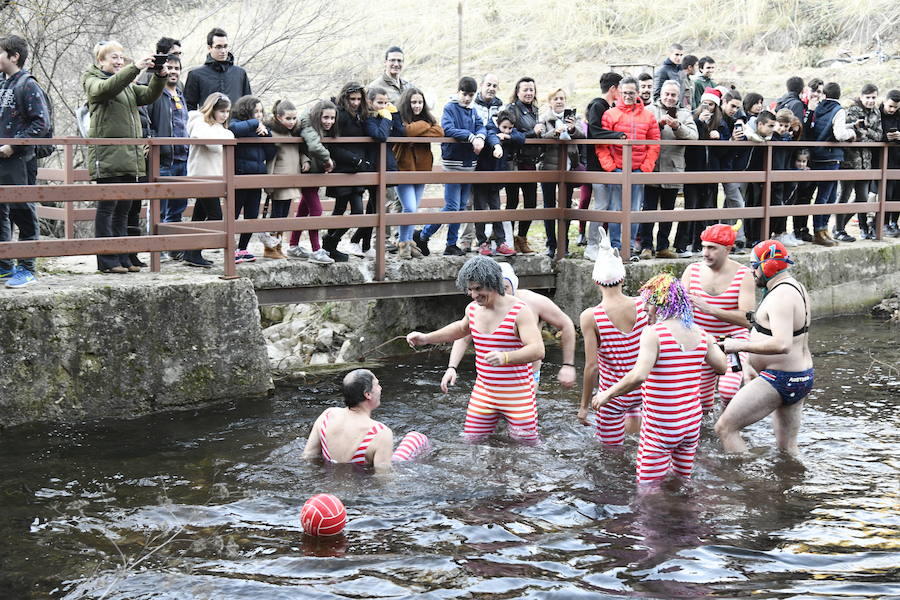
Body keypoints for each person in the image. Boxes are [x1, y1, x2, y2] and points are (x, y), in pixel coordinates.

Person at [592, 273, 727, 483]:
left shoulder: (654, 333)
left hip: (662, 425)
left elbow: (639, 375)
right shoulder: (701, 333)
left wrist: (607, 394)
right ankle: (686, 514)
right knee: (682, 481)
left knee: (648, 488)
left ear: (661, 304)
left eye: (648, 305)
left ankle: (652, 516)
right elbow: (722, 367)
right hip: (691, 423)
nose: (645, 310)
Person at [406, 256, 544, 443]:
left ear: (494, 283)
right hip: (484, 392)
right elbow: (460, 330)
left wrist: (505, 357)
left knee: (525, 449)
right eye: (470, 289)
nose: (473, 295)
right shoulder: (472, 309)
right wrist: (426, 338)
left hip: (518, 396)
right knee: (471, 442)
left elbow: (537, 350)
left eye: (478, 289)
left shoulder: (520, 311)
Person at [715, 240, 813, 455]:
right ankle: (788, 483)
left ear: (768, 265)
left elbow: (782, 344)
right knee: (787, 449)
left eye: (753, 265)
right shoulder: (794, 287)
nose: (752, 271)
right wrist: (750, 362)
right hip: (798, 377)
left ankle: (747, 484)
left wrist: (737, 345)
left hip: (780, 379)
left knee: (725, 428)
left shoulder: (781, 296)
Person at [82, 40, 167, 274]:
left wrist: (159, 76)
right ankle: (107, 261)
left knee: (124, 209)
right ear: (101, 60)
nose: (119, 61)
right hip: (108, 157)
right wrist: (135, 68)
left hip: (130, 157)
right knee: (107, 207)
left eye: (121, 57)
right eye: (113, 58)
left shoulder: (127, 86)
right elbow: (106, 89)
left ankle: (122, 257)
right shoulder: (92, 80)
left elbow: (149, 95)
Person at [441, 261, 576, 392]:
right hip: (491, 377)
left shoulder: (533, 302)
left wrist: (568, 365)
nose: (500, 293)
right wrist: (452, 367)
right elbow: (463, 335)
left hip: (526, 376)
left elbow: (566, 324)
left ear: (514, 285)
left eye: (505, 288)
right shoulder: (483, 307)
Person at [578, 228, 649, 445]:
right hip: (641, 389)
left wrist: (583, 406)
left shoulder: (591, 317)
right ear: (623, 278)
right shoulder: (644, 305)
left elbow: (592, 367)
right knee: (637, 446)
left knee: (611, 455)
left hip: (612, 395)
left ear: (595, 281)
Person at [681, 223, 755, 410]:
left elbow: (747, 320)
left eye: (712, 248)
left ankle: (730, 427)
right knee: (701, 402)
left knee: (728, 390)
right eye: (704, 246)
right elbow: (677, 310)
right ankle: (707, 435)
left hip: (733, 341)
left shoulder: (744, 274)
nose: (705, 252)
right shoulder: (692, 270)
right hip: (702, 341)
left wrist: (711, 309)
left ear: (728, 249)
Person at [302, 369, 430, 473]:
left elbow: (308, 456)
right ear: (367, 394)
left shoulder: (327, 416)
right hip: (360, 483)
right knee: (416, 437)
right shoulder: (379, 433)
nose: (380, 389)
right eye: (377, 385)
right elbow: (383, 479)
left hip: (331, 478)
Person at [414, 76, 485, 257]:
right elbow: (448, 129)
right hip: (453, 164)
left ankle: (450, 244)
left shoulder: (474, 110)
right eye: (464, 94)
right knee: (452, 206)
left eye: (471, 95)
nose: (467, 98)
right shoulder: (450, 108)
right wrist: (471, 137)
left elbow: (481, 127)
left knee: (461, 207)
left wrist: (481, 137)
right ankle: (423, 235)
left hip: (469, 165)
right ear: (458, 92)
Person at [0, 34, 51, 289]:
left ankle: (27, 267)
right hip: (2, 160)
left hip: (20, 159)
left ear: (14, 56)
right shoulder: (3, 83)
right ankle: (4, 264)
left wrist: (14, 145)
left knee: (23, 212)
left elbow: (41, 123)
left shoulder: (27, 84)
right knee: (0, 211)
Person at [596, 76, 661, 254]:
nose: (628, 96)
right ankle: (616, 246)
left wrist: (645, 168)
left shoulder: (648, 116)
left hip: (638, 169)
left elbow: (654, 143)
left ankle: (630, 246)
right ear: (619, 92)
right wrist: (610, 167)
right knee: (616, 209)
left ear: (638, 93)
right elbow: (602, 145)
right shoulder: (610, 114)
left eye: (631, 93)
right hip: (617, 168)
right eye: (624, 93)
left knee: (634, 210)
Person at [264, 99, 333, 264]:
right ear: (278, 117)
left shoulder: (294, 132)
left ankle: (281, 246)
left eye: (294, 118)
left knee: (286, 213)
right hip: (279, 177)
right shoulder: (273, 133)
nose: (292, 122)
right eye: (288, 118)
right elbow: (271, 160)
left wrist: (305, 160)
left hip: (293, 177)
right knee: (277, 214)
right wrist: (268, 183)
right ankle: (270, 248)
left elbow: (298, 150)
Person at [640, 79, 698, 260]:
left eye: (673, 95)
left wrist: (677, 126)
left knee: (668, 210)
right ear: (661, 94)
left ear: (678, 96)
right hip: (651, 167)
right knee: (648, 210)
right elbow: (642, 132)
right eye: (667, 94)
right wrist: (658, 125)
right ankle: (646, 246)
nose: (670, 98)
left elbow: (693, 136)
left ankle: (663, 247)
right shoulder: (649, 110)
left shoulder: (685, 114)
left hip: (673, 168)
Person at [349, 86, 404, 258]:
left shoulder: (384, 115)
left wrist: (394, 114)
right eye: (380, 103)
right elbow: (380, 135)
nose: (384, 106)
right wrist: (386, 118)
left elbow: (401, 133)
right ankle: (356, 241)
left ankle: (363, 245)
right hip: (374, 166)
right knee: (376, 208)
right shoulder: (369, 119)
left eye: (387, 102)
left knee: (375, 207)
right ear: (370, 103)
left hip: (386, 164)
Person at [320, 82, 372, 263]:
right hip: (343, 168)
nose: (356, 102)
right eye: (352, 99)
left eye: (358, 99)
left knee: (357, 211)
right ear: (345, 98)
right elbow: (334, 145)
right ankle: (330, 245)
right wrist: (354, 159)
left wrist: (361, 161)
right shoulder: (340, 115)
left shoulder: (361, 115)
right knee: (341, 209)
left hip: (356, 170)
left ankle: (329, 243)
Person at [184, 92, 234, 267]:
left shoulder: (219, 128)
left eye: (227, 112)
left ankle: (191, 252)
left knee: (199, 215)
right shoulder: (198, 122)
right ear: (212, 109)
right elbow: (213, 145)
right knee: (215, 215)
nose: (225, 115)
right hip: (202, 177)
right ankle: (194, 251)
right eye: (222, 111)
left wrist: (224, 137)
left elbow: (230, 138)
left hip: (213, 177)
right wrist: (224, 138)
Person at [393, 87, 443, 259]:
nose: (417, 105)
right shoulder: (399, 117)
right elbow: (407, 131)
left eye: (420, 102)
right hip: (403, 169)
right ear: (407, 103)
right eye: (413, 102)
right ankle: (402, 242)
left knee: (413, 209)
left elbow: (440, 131)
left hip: (421, 169)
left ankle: (407, 243)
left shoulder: (428, 118)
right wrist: (424, 125)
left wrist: (422, 127)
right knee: (410, 207)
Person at [804, 82, 856, 247]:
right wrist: (852, 133)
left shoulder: (818, 108)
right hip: (831, 157)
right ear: (839, 95)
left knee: (824, 196)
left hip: (817, 155)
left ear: (825, 94)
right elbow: (839, 134)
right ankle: (821, 230)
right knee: (828, 196)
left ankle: (822, 230)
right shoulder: (838, 110)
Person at [284, 99, 336, 264]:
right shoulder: (308, 125)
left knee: (303, 210)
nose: (329, 122)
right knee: (317, 211)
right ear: (317, 116)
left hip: (314, 173)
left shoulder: (319, 127)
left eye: (332, 118)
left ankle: (293, 246)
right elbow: (312, 146)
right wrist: (327, 160)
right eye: (325, 117)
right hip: (306, 173)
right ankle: (316, 250)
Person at [145, 54, 189, 245]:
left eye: (177, 68)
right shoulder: (154, 93)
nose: (173, 72)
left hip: (182, 158)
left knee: (177, 208)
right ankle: (156, 248)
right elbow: (146, 123)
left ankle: (172, 246)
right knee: (158, 208)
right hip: (162, 159)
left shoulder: (180, 93)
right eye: (169, 68)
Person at [583, 72, 627, 261]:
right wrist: (617, 135)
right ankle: (591, 245)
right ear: (613, 89)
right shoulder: (597, 105)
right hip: (596, 164)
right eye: (621, 89)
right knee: (601, 205)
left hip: (609, 162)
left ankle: (603, 244)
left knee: (609, 205)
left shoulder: (610, 107)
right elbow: (594, 131)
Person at [228, 95, 275, 264]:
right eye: (256, 111)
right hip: (240, 176)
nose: (259, 115)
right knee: (233, 213)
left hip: (257, 177)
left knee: (252, 214)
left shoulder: (261, 129)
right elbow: (233, 129)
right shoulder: (236, 122)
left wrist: (267, 135)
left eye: (261, 111)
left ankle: (243, 248)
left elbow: (270, 154)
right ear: (246, 111)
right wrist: (255, 124)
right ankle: (230, 249)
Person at [538, 88, 585, 257]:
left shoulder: (574, 117)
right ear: (550, 101)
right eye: (556, 98)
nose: (559, 101)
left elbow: (582, 134)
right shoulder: (544, 118)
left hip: (568, 167)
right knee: (549, 207)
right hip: (549, 168)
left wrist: (572, 129)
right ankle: (551, 244)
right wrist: (554, 133)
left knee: (565, 207)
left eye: (562, 98)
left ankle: (564, 244)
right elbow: (541, 136)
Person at [834, 83, 882, 241]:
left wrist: (866, 131)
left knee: (862, 197)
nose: (870, 100)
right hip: (850, 160)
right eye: (868, 97)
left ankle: (838, 226)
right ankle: (839, 230)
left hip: (866, 162)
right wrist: (866, 133)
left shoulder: (876, 111)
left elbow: (879, 135)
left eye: (873, 97)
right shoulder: (853, 109)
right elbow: (854, 133)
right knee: (845, 195)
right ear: (861, 96)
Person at [503, 77, 544, 254]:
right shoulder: (511, 110)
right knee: (512, 201)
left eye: (531, 90)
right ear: (517, 92)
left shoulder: (535, 110)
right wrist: (532, 132)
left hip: (530, 162)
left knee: (531, 203)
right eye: (525, 90)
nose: (528, 93)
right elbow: (511, 133)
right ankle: (508, 239)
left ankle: (522, 238)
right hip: (515, 161)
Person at [472, 110, 518, 256]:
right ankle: (482, 242)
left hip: (496, 178)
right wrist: (498, 145)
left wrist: (508, 135)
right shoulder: (490, 129)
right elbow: (492, 137)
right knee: (480, 210)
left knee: (496, 209)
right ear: (498, 123)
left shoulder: (508, 133)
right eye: (504, 127)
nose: (507, 130)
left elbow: (521, 136)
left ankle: (500, 241)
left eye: (510, 128)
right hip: (482, 177)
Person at [183, 28, 251, 110]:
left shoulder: (240, 73)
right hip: (206, 121)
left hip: (235, 122)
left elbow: (248, 103)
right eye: (218, 47)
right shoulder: (196, 75)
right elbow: (188, 106)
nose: (223, 51)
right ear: (209, 48)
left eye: (225, 46)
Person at [881, 89, 900, 237]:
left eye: (896, 107)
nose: (893, 110)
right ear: (885, 101)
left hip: (898, 157)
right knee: (887, 192)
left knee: (898, 192)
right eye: (890, 106)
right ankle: (884, 223)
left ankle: (895, 222)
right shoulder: (878, 113)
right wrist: (885, 137)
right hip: (884, 159)